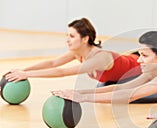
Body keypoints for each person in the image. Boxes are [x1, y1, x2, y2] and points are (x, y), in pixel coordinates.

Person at [4, 18, 141, 84]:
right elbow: (53, 63)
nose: (67, 40)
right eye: (67, 36)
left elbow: (62, 72)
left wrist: (27, 74)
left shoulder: (98, 58)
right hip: (127, 63)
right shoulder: (78, 53)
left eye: (72, 36)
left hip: (140, 67)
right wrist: (22, 70)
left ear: (85, 39)